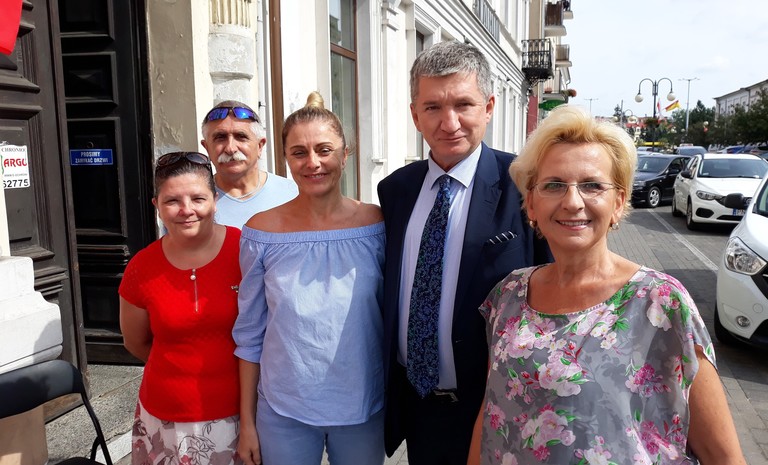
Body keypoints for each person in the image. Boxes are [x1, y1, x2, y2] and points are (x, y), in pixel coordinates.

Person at [468, 105, 747, 465]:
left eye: (592, 186)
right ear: (531, 204)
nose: (572, 202)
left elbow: (721, 454)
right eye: (553, 185)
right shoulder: (508, 296)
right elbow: (491, 413)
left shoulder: (660, 303)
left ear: (618, 202)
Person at [377, 41, 551, 464]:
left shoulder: (525, 185)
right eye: (433, 107)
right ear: (415, 114)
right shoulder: (396, 190)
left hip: (499, 407)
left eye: (463, 104)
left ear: (488, 107)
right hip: (418, 406)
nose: (449, 122)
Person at [233, 92, 386, 465]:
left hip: (362, 406)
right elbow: (250, 334)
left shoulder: (377, 224)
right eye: (299, 152)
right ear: (286, 158)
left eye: (324, 150)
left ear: (345, 154)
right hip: (283, 409)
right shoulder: (261, 232)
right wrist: (247, 422)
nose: (313, 162)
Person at [119, 151, 243, 465]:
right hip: (166, 418)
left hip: (240, 414)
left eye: (198, 198)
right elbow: (135, 341)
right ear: (157, 206)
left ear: (215, 200)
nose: (187, 210)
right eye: (172, 201)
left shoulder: (246, 251)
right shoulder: (142, 267)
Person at [201, 100, 298, 228]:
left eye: (241, 137)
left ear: (260, 146)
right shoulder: (194, 205)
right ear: (207, 147)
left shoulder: (293, 194)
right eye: (220, 138)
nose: (230, 148)